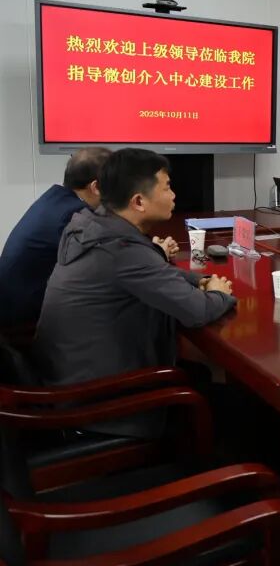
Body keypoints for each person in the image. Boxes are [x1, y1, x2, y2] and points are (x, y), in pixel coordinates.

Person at [32, 149, 236, 437]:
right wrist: (218, 293)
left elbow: (149, 270)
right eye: (166, 187)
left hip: (68, 381)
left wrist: (195, 279)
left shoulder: (92, 225)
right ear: (138, 201)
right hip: (97, 407)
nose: (174, 195)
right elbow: (197, 311)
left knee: (200, 377)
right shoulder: (121, 250)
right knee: (228, 406)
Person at [0, 147, 111, 345]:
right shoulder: (75, 214)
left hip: (12, 308)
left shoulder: (55, 198)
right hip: (22, 322)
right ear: (96, 187)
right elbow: (107, 263)